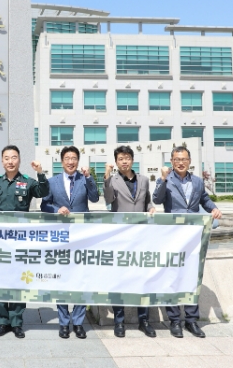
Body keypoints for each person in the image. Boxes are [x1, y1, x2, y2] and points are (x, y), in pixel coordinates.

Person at [152, 146, 222, 339]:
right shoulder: (167, 180)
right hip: (173, 236)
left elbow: (205, 200)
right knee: (172, 277)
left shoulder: (198, 182)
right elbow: (156, 199)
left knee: (191, 277)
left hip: (193, 236)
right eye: (176, 159)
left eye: (183, 159)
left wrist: (214, 209)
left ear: (189, 161)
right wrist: (162, 179)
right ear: (172, 162)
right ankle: (174, 321)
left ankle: (191, 320)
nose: (180, 162)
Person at [0, 145, 49, 339]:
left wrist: (40, 173)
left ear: (19, 160)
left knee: (19, 281)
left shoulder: (27, 182)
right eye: (7, 158)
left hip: (21, 241)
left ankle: (17, 322)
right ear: (2, 161)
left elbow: (43, 192)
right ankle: (3, 321)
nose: (10, 161)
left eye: (14, 157)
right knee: (1, 280)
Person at [40, 145, 98, 340]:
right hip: (61, 237)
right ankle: (64, 323)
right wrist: (56, 209)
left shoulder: (85, 179)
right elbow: (44, 204)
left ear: (78, 161)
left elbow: (95, 197)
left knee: (82, 278)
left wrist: (89, 178)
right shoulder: (52, 181)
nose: (71, 162)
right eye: (67, 158)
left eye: (74, 158)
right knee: (63, 278)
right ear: (61, 161)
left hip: (83, 235)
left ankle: (79, 322)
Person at [103, 145, 156, 338]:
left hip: (141, 237)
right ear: (116, 162)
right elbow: (108, 200)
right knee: (119, 280)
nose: (124, 161)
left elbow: (146, 201)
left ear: (132, 160)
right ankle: (119, 321)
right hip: (120, 237)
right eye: (120, 159)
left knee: (143, 279)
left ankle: (144, 320)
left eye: (127, 158)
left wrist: (151, 208)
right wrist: (107, 177)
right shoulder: (114, 180)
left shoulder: (143, 180)